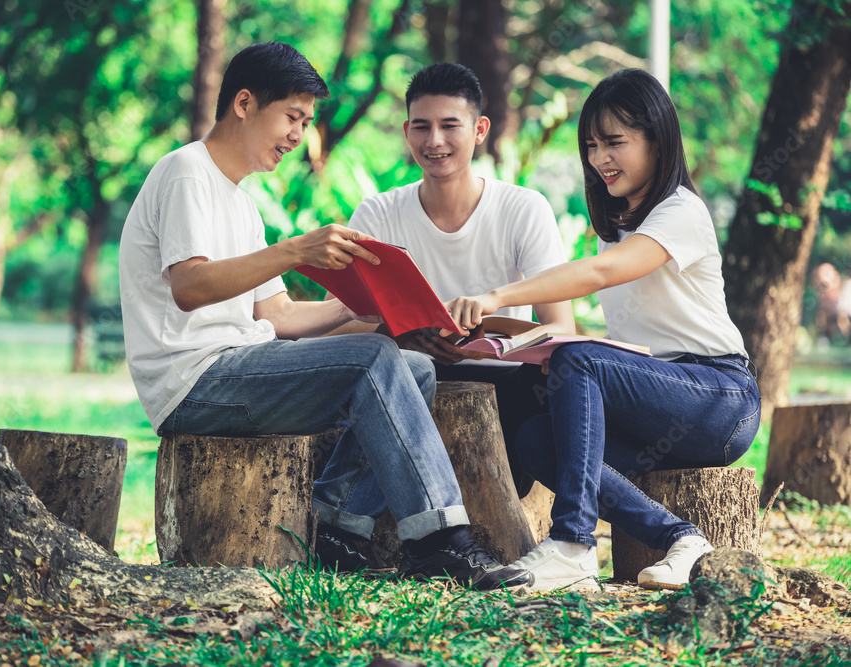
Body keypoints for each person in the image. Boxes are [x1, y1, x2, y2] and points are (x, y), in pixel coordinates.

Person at [118, 41, 531, 590]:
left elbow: (280, 314)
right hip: (194, 381)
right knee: (373, 361)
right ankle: (439, 541)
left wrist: (370, 310)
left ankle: (338, 526)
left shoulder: (239, 201)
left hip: (242, 362)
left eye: (305, 121)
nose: (298, 135)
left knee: (414, 366)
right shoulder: (187, 173)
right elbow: (190, 286)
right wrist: (295, 251)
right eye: (292, 117)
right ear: (244, 103)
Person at [444, 68, 762, 591]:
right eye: (591, 145)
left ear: (657, 141)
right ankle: (683, 540)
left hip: (720, 398)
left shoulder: (681, 211)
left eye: (615, 142)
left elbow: (597, 276)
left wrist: (498, 296)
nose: (599, 159)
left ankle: (572, 544)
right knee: (537, 440)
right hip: (658, 405)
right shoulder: (616, 231)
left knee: (580, 358)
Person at [338, 62, 575, 483]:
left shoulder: (523, 208)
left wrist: (488, 343)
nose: (434, 141)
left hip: (508, 383)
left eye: (450, 125)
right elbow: (333, 325)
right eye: (420, 127)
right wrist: (399, 335)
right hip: (409, 377)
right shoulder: (377, 213)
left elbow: (560, 328)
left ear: (480, 129)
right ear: (406, 130)